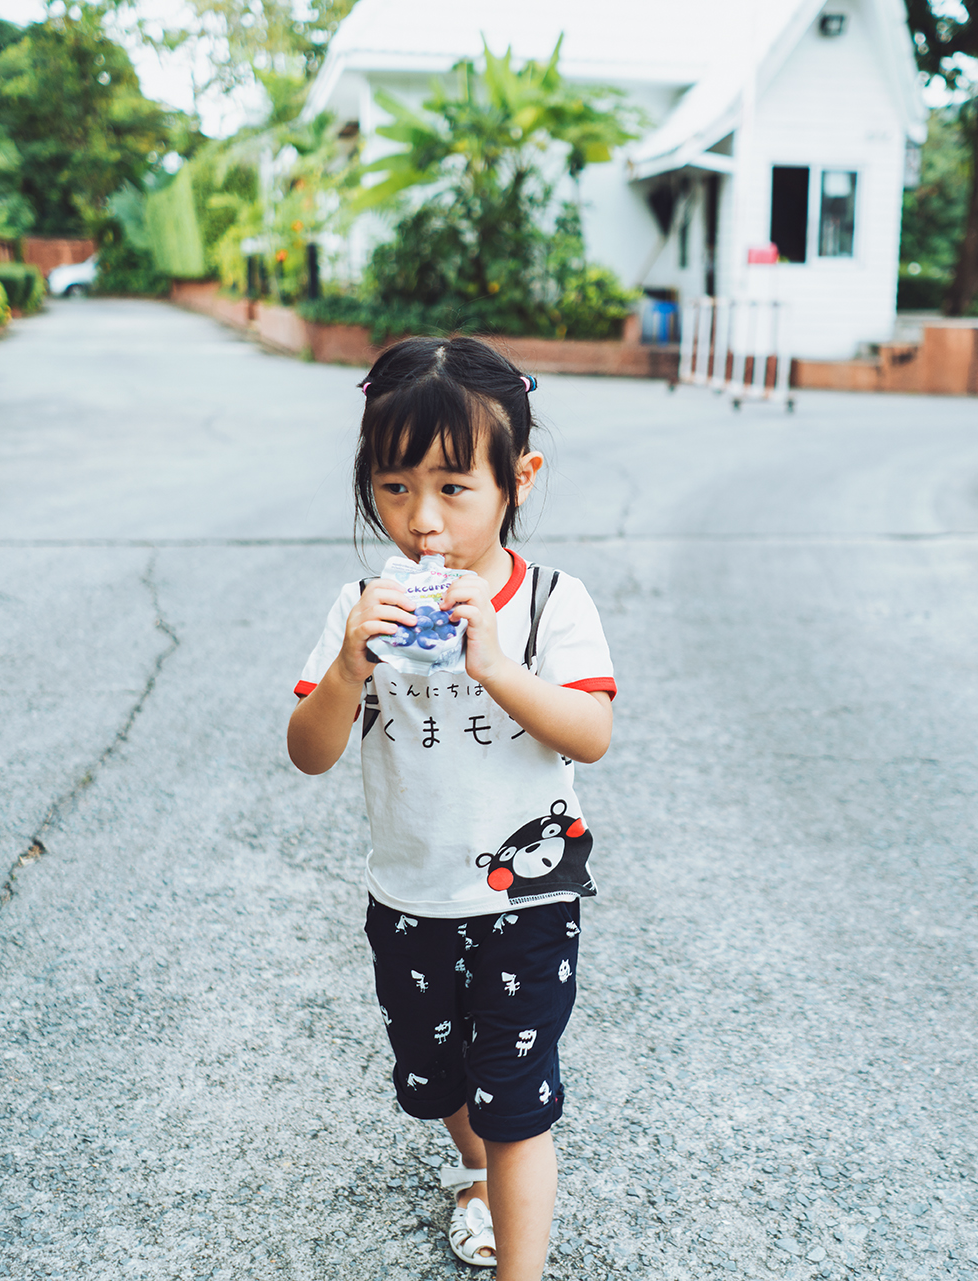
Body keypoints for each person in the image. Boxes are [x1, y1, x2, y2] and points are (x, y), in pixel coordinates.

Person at [286, 336, 617, 1278]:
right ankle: (474, 1173)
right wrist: (350, 665)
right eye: (393, 489)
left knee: (517, 1103)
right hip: (410, 898)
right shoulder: (362, 605)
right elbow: (309, 753)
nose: (423, 521)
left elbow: (588, 733)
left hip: (527, 900)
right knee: (436, 1085)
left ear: (518, 478)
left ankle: (518, 1241)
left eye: (452, 489)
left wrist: (497, 665)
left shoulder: (552, 601)